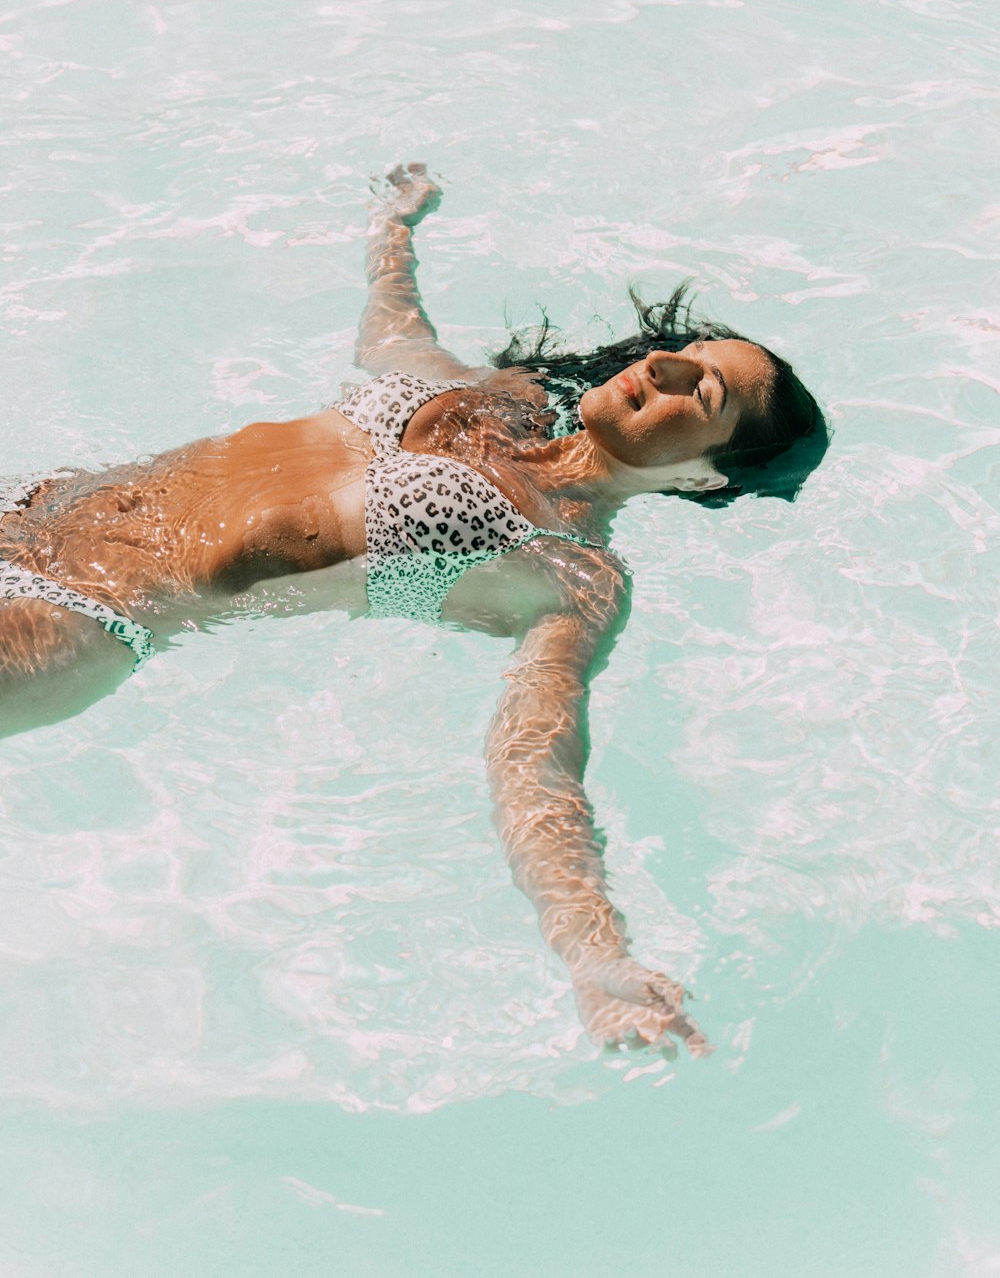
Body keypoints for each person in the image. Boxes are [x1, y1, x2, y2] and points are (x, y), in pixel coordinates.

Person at [0, 164, 825, 1054]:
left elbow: (537, 770)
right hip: (33, 510)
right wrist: (393, 230)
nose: (661, 366)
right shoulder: (493, 403)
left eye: (701, 395)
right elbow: (394, 332)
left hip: (76, 612)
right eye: (685, 357)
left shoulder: (569, 574)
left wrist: (600, 963)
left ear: (703, 477)